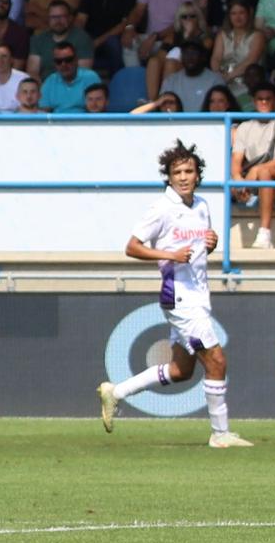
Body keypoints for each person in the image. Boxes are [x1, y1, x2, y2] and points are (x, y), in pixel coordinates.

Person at [95, 143, 250, 448]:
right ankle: (220, 434)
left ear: (197, 175)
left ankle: (116, 392)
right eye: (176, 172)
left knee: (181, 370)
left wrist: (212, 242)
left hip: (199, 294)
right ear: (168, 177)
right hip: (179, 297)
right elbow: (132, 246)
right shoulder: (162, 209)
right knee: (217, 360)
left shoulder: (202, 205)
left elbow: (199, 247)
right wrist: (169, 255)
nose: (182, 177)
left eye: (188, 171)